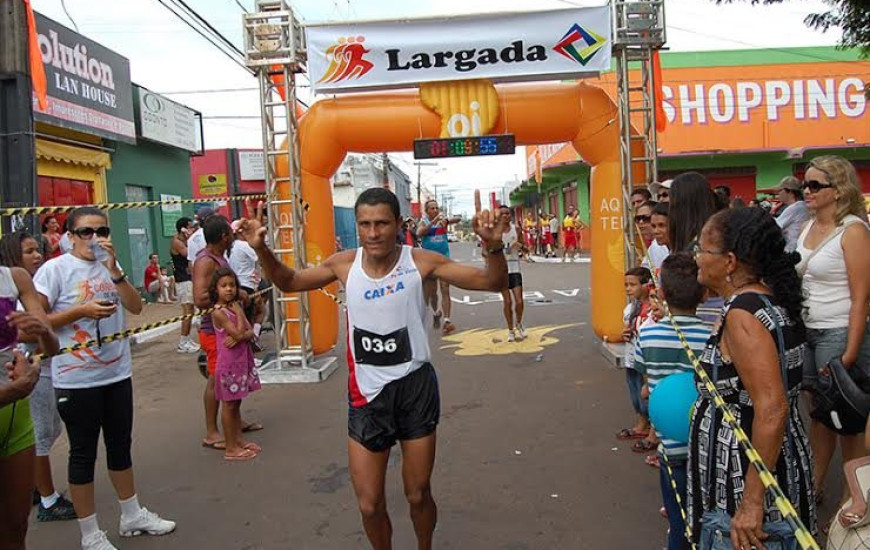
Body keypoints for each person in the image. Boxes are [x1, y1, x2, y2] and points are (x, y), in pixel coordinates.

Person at [239, 188, 507, 550]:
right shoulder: (343, 265)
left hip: (414, 388)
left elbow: (493, 282)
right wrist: (261, 248)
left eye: (382, 223)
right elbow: (288, 282)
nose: (373, 232)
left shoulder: (422, 262)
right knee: (369, 504)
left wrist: (493, 246)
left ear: (399, 224)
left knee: (417, 494)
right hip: (367, 394)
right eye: (365, 224)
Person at [34, 207, 175, 550]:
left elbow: (137, 307)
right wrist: (80, 312)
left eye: (102, 230)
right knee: (82, 454)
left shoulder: (110, 267)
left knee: (120, 445)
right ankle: (90, 534)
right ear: (69, 236)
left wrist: (115, 272)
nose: (94, 238)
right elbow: (36, 319)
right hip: (76, 379)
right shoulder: (55, 269)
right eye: (85, 231)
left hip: (116, 373)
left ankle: (132, 515)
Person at [688, 206, 816, 548]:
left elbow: (772, 409)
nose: (696, 257)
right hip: (767, 461)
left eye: (702, 249)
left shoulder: (744, 315)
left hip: (745, 473)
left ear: (729, 262)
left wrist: (751, 502)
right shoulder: (759, 302)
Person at [795, 155, 870, 516]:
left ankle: (852, 500)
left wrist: (850, 353)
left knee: (848, 421)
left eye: (814, 185)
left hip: (839, 333)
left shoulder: (853, 230)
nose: (806, 191)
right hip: (809, 331)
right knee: (820, 415)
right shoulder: (807, 227)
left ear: (838, 191)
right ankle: (815, 485)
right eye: (804, 184)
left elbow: (861, 298)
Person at [633, 253, 710, 550]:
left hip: (669, 445)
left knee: (678, 518)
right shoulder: (712, 336)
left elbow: (644, 383)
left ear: (661, 292)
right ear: (704, 293)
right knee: (705, 513)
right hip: (703, 444)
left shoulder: (649, 332)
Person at [0, 232, 75, 523]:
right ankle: (47, 499)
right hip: (18, 388)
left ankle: (38, 492)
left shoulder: (18, 280)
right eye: (29, 250)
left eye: (37, 249)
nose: (37, 255)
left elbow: (50, 342)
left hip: (22, 400)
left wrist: (43, 330)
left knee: (15, 533)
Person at [193, 216, 261, 450]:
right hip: (216, 331)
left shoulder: (218, 258)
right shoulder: (205, 262)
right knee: (216, 379)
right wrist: (232, 297)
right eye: (230, 234)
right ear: (224, 236)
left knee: (233, 382)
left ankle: (235, 423)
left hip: (232, 326)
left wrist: (238, 295)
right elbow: (199, 298)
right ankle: (212, 432)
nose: (233, 238)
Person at [210, 268, 262, 462]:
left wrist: (242, 335)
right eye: (224, 286)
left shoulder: (232, 308)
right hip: (229, 365)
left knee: (237, 402)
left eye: (232, 285)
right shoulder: (219, 312)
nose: (229, 289)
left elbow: (249, 333)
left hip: (240, 362)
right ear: (216, 289)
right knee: (229, 404)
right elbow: (241, 333)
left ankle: (239, 441)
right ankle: (231, 447)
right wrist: (240, 315)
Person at [616, 267, 653, 446]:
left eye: (632, 285)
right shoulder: (631, 308)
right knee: (634, 389)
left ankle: (652, 429)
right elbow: (626, 329)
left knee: (648, 392)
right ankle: (641, 424)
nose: (628, 288)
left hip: (647, 359)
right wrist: (625, 333)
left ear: (647, 285)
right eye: (626, 285)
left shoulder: (655, 309)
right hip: (632, 357)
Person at [417, 199, 461, 335]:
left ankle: (447, 321)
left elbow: (458, 219)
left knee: (445, 289)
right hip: (429, 261)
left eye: (437, 208)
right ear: (427, 211)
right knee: (432, 292)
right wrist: (433, 221)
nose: (435, 210)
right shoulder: (424, 222)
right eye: (432, 208)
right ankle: (436, 312)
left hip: (443, 259)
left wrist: (448, 220)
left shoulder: (442, 221)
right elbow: (419, 233)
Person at [229, 220, 264, 343]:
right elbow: (260, 257)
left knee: (241, 318)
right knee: (252, 316)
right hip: (247, 284)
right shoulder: (243, 245)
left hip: (236, 285)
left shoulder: (230, 247)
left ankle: (252, 342)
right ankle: (252, 343)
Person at [170, 217, 199, 354]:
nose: (191, 228)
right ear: (182, 228)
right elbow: (188, 254)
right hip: (182, 280)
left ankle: (187, 338)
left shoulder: (185, 240)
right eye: (189, 226)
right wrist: (191, 238)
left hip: (188, 278)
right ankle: (182, 342)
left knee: (191, 311)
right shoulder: (177, 241)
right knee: (187, 311)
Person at [498, 205, 526, 343]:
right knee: (507, 302)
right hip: (501, 271)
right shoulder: (495, 232)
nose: (505, 216)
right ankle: (510, 330)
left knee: (519, 302)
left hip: (515, 268)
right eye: (502, 214)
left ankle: (519, 323)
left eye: (507, 213)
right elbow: (486, 252)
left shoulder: (516, 229)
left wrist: (520, 246)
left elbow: (526, 248)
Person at [770, 176, 811, 253]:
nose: (779, 193)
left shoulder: (794, 208)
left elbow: (774, 226)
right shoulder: (803, 206)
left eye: (780, 190)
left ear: (790, 192)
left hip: (791, 249)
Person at [643, 202, 670, 272]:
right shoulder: (653, 247)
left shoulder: (687, 253)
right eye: (653, 226)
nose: (656, 231)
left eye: (661, 225)